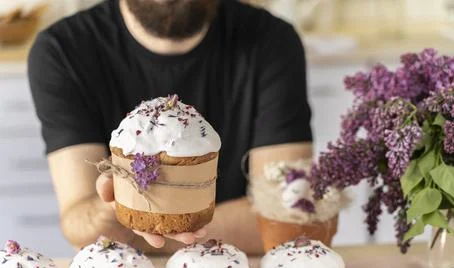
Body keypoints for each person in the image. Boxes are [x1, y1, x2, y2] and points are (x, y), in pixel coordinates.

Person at [28, 0, 312, 253]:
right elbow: (79, 221)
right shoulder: (62, 49)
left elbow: (286, 213)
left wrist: (135, 225)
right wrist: (112, 209)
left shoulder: (272, 41)